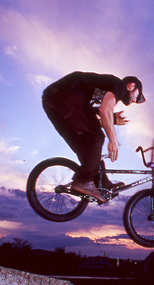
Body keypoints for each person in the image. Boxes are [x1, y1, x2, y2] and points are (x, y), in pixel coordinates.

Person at [42, 71, 145, 203]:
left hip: (54, 103)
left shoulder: (102, 91)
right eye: (137, 96)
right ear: (131, 86)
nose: (134, 101)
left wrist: (112, 118)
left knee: (89, 151)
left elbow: (88, 114)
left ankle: (101, 183)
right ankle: (83, 181)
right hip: (64, 95)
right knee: (97, 137)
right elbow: (104, 110)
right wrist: (113, 139)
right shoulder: (118, 85)